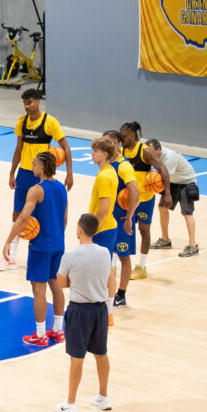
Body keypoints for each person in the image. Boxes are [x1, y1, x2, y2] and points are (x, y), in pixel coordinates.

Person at [0, 88, 73, 270]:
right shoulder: (22, 121)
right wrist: (12, 172)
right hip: (25, 173)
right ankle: (12, 257)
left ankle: (53, 252)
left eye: (30, 102)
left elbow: (66, 148)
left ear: (38, 101)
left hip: (42, 176)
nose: (27, 106)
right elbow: (18, 149)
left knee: (43, 215)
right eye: (24, 103)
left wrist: (70, 173)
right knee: (17, 213)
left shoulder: (50, 122)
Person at [2, 151, 67, 347]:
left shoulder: (36, 190)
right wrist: (57, 238)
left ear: (42, 167)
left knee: (38, 290)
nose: (32, 167)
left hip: (41, 246)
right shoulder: (62, 188)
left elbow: (22, 218)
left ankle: (40, 335)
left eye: (34, 164)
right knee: (55, 285)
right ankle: (58, 330)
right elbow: (64, 219)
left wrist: (8, 241)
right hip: (58, 243)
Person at [54, 213, 115, 412]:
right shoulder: (105, 252)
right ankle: (103, 397)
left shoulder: (70, 256)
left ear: (79, 230)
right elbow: (108, 279)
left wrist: (76, 282)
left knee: (76, 358)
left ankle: (70, 403)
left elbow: (61, 284)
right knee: (101, 353)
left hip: (79, 311)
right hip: (100, 310)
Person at [119, 121, 171, 280]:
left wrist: (167, 193)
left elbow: (162, 168)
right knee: (122, 230)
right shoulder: (121, 152)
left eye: (124, 135)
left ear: (133, 136)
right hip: (127, 199)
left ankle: (141, 266)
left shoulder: (145, 152)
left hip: (145, 199)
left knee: (144, 230)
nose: (121, 138)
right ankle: (115, 264)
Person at [102, 130, 139, 308]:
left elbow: (135, 191)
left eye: (108, 141)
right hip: (108, 217)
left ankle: (121, 294)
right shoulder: (106, 162)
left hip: (122, 218)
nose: (105, 145)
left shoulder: (124, 166)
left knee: (124, 256)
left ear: (117, 143)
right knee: (105, 256)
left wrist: (130, 217)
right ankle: (105, 291)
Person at [145, 138, 199, 257]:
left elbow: (164, 177)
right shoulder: (151, 155)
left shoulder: (169, 157)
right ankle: (165, 240)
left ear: (159, 150)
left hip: (186, 182)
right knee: (162, 208)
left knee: (187, 213)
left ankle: (193, 246)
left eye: (151, 151)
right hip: (174, 181)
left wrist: (167, 194)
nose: (149, 154)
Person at [87, 137, 121, 326]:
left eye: (95, 151)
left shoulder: (104, 176)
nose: (92, 154)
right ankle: (106, 311)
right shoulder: (108, 172)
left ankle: (106, 312)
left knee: (104, 271)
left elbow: (104, 209)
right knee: (105, 270)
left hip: (103, 228)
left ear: (105, 154)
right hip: (107, 227)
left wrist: (90, 231)